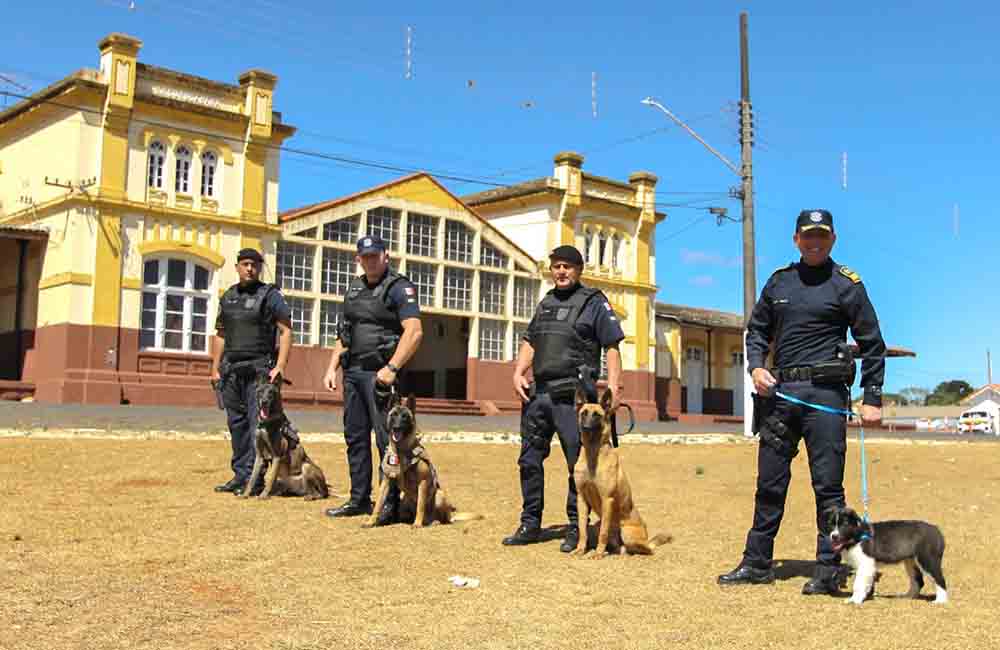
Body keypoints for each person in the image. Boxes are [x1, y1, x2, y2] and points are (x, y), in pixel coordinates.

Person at [717, 209, 885, 594]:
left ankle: (828, 571)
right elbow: (756, 331)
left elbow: (873, 343)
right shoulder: (779, 282)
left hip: (825, 397)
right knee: (769, 484)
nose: (814, 242)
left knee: (828, 488)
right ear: (796, 240)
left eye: (822, 236)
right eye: (808, 236)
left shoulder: (847, 285)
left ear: (832, 239)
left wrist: (872, 396)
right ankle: (757, 563)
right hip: (780, 396)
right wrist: (756, 368)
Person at [502, 244, 625, 552]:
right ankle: (530, 523)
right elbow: (531, 339)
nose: (561, 271)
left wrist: (614, 389)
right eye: (556, 266)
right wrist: (519, 372)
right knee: (529, 460)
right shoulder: (545, 303)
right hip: (539, 394)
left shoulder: (594, 303)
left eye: (567, 266)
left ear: (579, 270)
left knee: (577, 465)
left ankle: (576, 527)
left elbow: (612, 346)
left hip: (576, 398)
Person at [323, 235, 423, 523]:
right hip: (353, 372)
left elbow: (414, 331)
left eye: (375, 255)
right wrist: (332, 367)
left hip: (381, 376)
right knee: (354, 437)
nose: (370, 260)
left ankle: (389, 504)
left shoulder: (399, 287)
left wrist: (392, 368)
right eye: (365, 256)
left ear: (386, 256)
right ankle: (358, 499)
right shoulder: (353, 289)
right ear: (358, 259)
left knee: (386, 440)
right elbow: (345, 333)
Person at [210, 248, 293, 496]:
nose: (250, 269)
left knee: (258, 426)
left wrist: (280, 366)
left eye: (254, 265)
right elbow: (221, 335)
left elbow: (286, 331)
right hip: (232, 371)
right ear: (237, 267)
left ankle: (256, 480)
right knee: (236, 424)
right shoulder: (228, 297)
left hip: (259, 371)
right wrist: (214, 368)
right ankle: (241, 475)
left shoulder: (270, 296)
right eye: (245, 264)